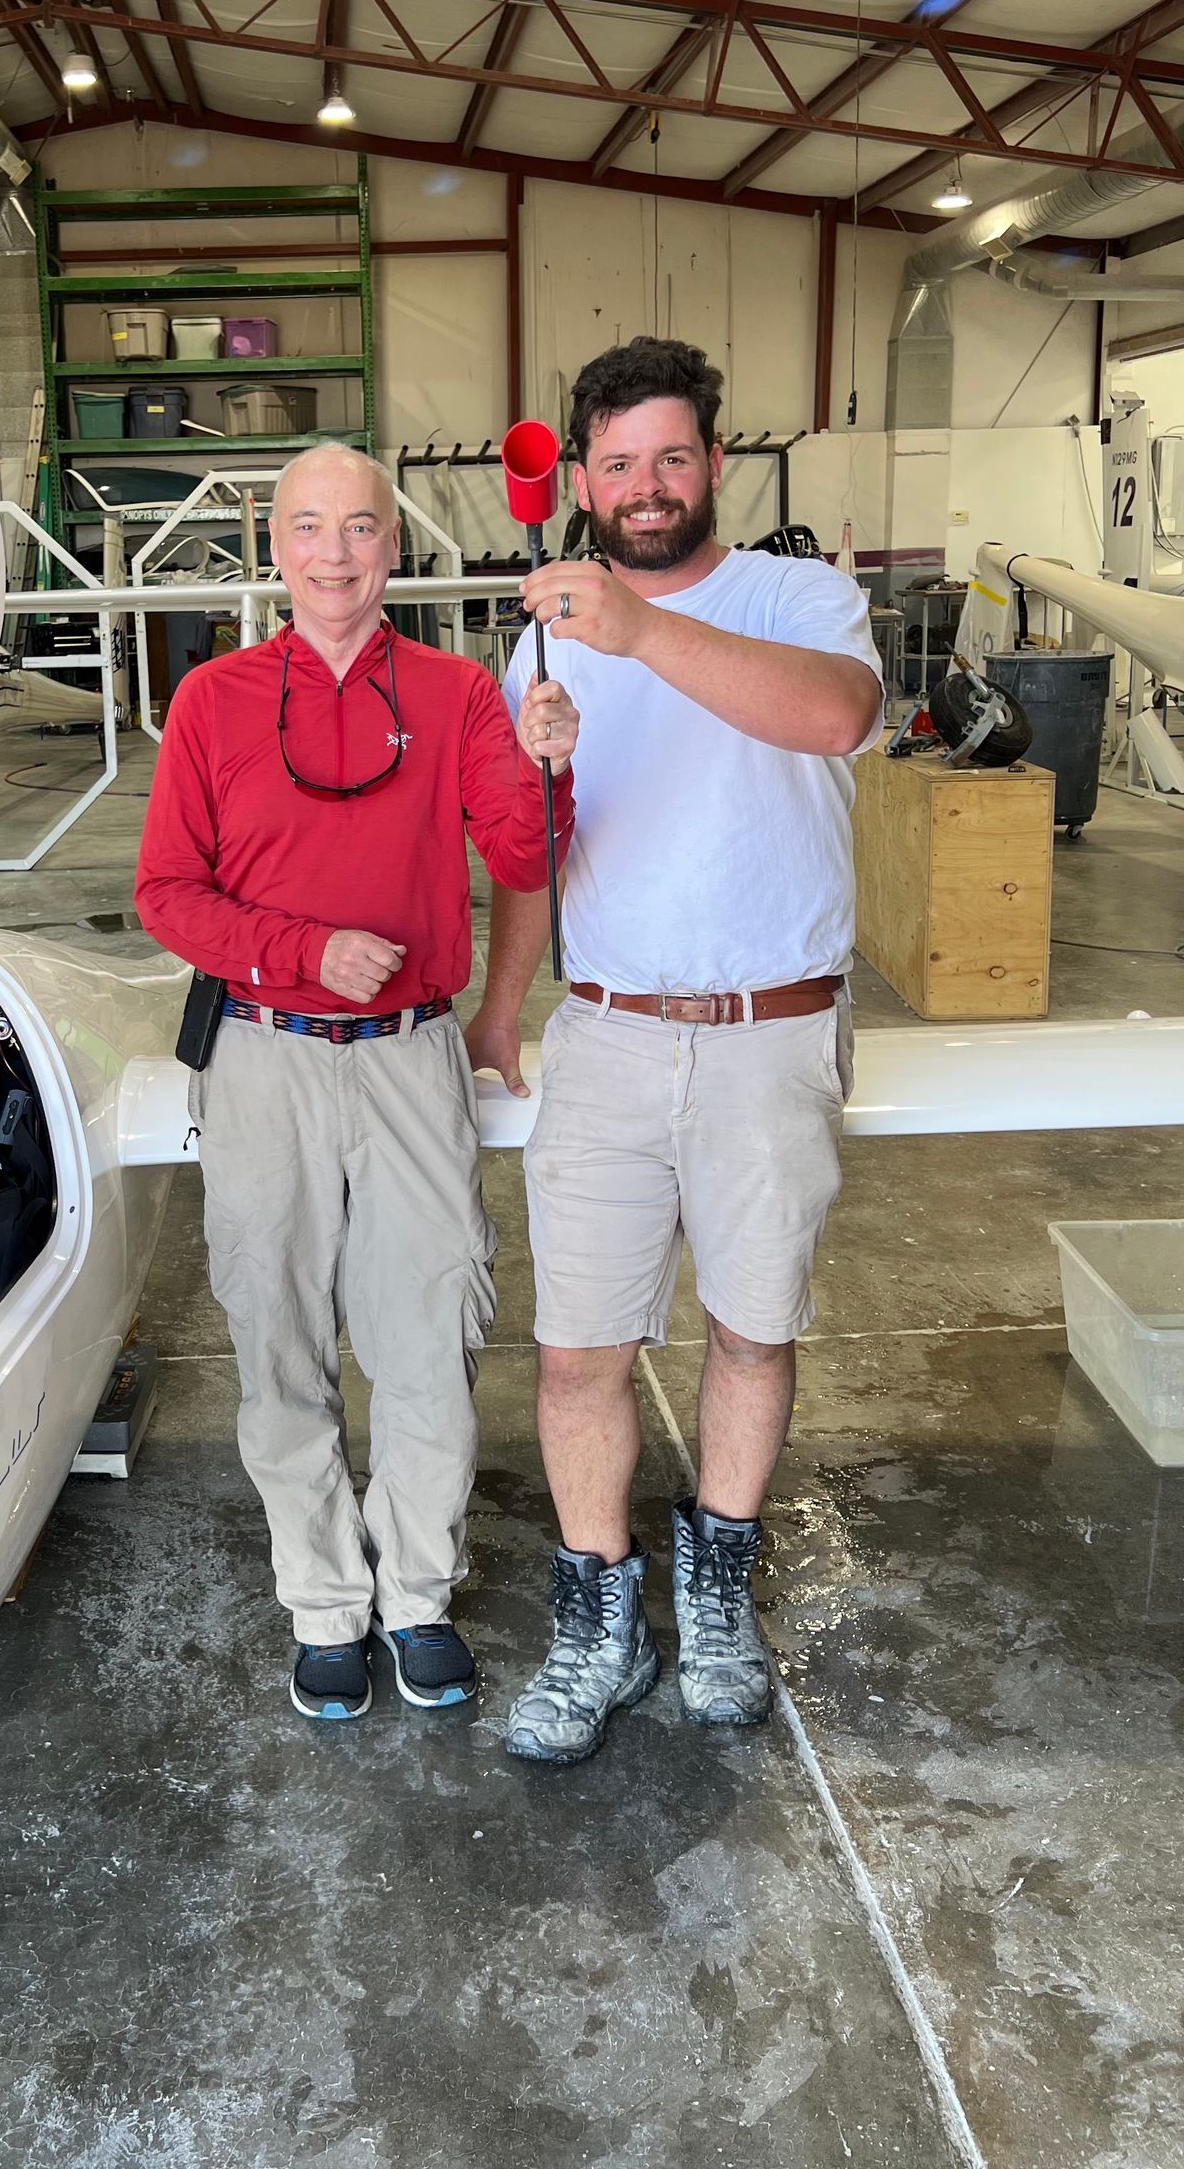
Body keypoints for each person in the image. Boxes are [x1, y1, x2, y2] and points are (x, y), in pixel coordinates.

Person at [464, 338, 884, 1767]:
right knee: (579, 1349)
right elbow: (537, 848)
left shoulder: (796, 596)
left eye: (672, 458)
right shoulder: (543, 633)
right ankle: (598, 1615)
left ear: (714, 463)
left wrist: (639, 634)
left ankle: (716, 1588)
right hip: (614, 1034)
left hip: (773, 1032)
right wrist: (501, 997)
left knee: (753, 1328)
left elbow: (836, 718)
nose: (646, 488)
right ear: (578, 476)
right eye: (619, 462)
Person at [135, 443, 578, 1723]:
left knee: (429, 1334)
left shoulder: (454, 696)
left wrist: (550, 764)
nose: (336, 554)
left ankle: (419, 1597)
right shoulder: (214, 701)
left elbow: (523, 850)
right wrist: (300, 950)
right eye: (310, 528)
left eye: (363, 529)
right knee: (278, 1338)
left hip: (408, 1057)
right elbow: (166, 891)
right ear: (275, 547)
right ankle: (324, 1603)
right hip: (263, 1058)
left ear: (395, 547)